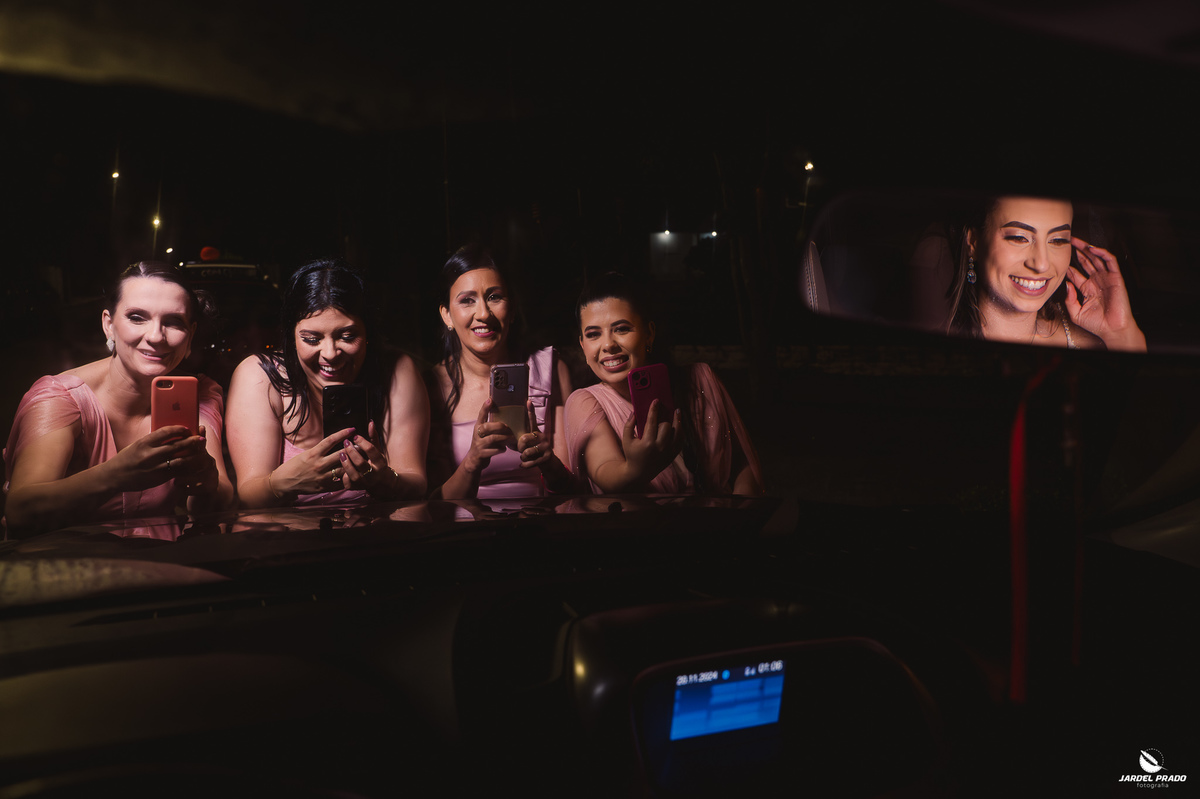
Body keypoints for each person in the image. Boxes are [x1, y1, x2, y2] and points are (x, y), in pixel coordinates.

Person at [3, 262, 233, 533]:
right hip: (70, 557)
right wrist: (118, 474)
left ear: (190, 334)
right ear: (109, 325)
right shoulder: (60, 398)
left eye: (173, 322)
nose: (156, 336)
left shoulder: (199, 393)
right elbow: (21, 511)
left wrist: (206, 483)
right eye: (137, 317)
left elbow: (220, 502)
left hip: (164, 555)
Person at [226, 260, 428, 507]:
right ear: (292, 337)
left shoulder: (396, 370)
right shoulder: (260, 376)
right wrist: (284, 482)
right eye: (312, 339)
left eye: (347, 336)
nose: (330, 353)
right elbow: (250, 494)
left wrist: (387, 482)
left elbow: (416, 483)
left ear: (368, 334)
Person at [565, 272, 763, 496]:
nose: (608, 344)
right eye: (593, 334)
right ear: (582, 345)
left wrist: (738, 510)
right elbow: (604, 468)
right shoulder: (584, 402)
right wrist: (634, 469)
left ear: (649, 333)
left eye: (621, 329)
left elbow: (741, 463)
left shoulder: (700, 378)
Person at [428, 245, 575, 499]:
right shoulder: (430, 386)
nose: (484, 314)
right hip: (463, 523)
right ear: (447, 315)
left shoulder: (550, 369)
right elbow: (431, 504)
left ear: (513, 308)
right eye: (467, 300)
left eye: (494, 297)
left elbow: (574, 489)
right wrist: (472, 462)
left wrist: (549, 463)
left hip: (544, 519)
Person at [947, 196, 1147, 351]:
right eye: (1019, 238)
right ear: (973, 242)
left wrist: (1120, 333)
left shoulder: (1088, 343)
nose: (1042, 264)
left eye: (1058, 240)